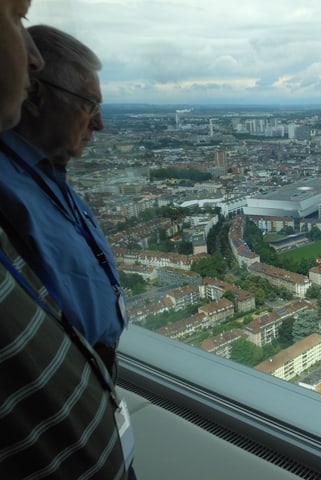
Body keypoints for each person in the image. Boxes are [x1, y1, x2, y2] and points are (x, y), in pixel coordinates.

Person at [0, 2, 132, 478]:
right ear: (35, 95)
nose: (98, 125)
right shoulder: (7, 188)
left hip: (94, 381)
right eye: (88, 106)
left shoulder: (51, 171)